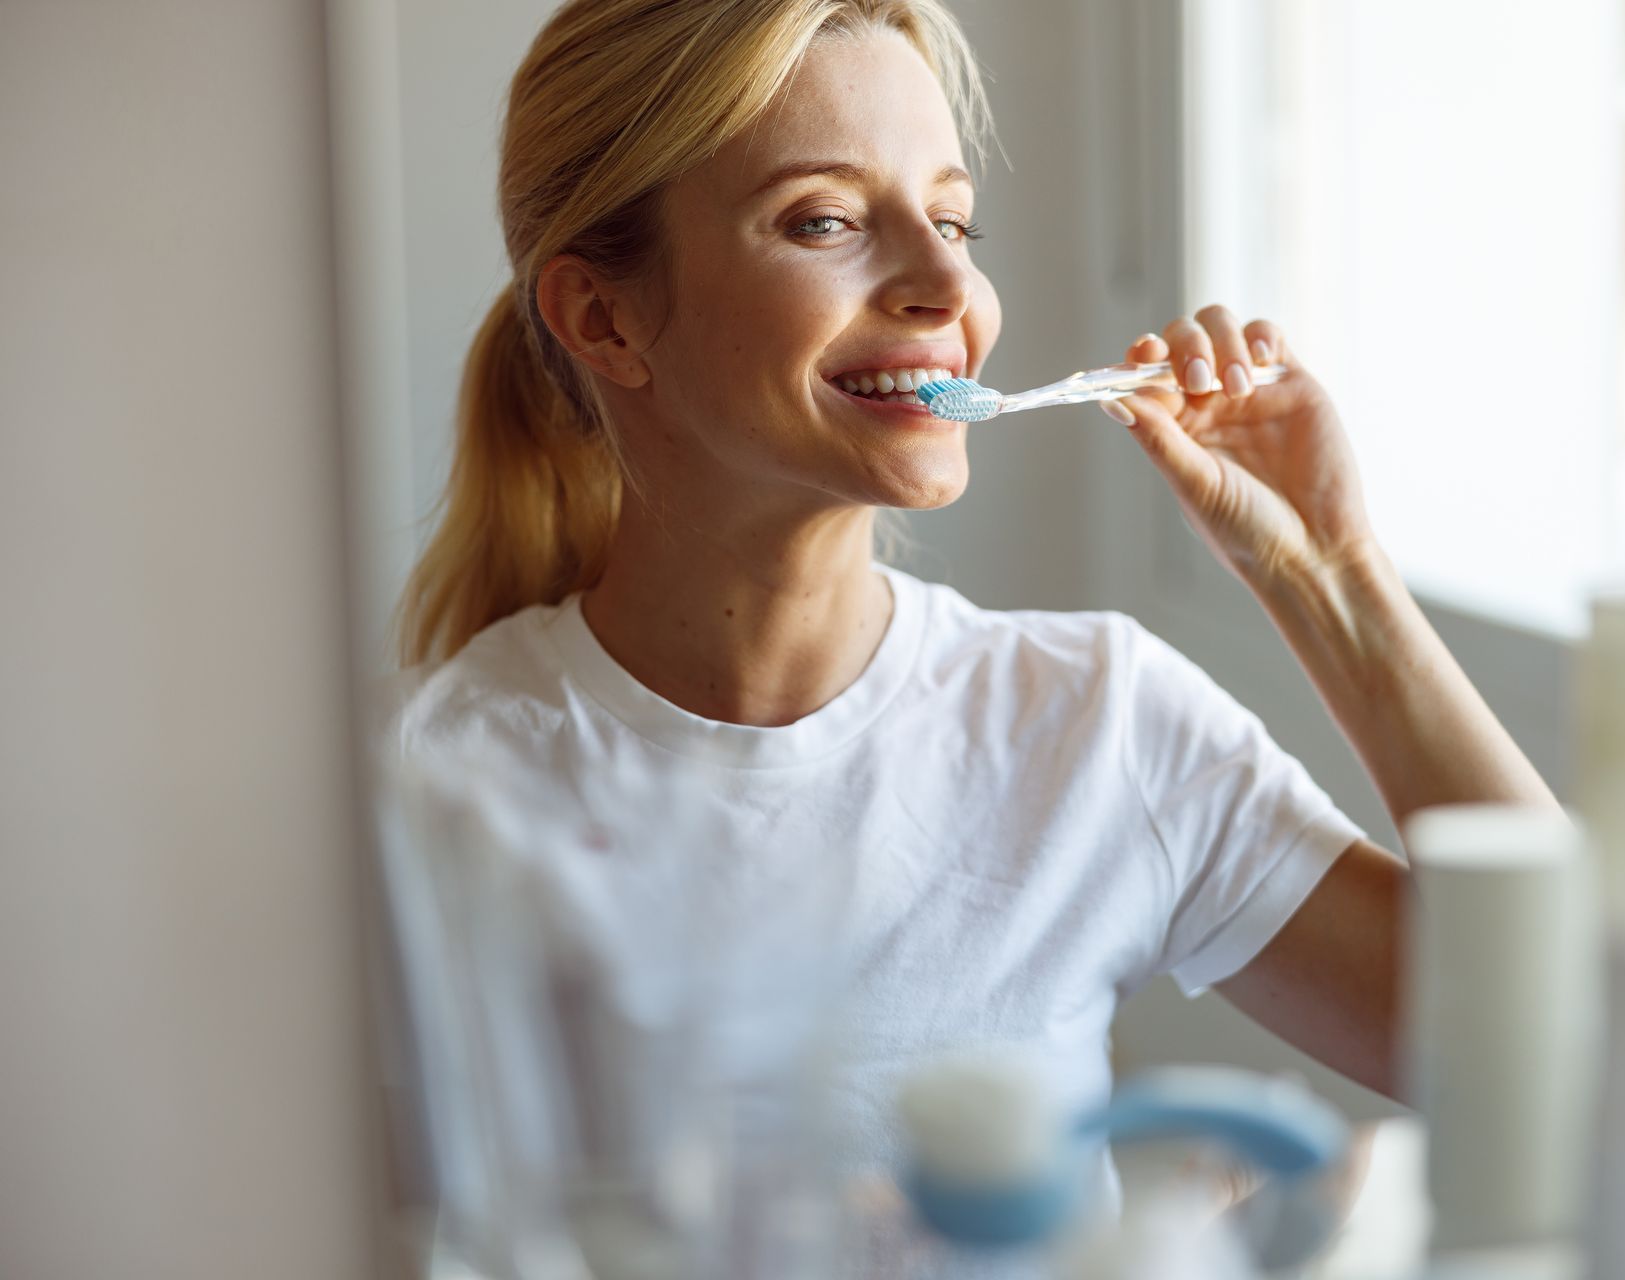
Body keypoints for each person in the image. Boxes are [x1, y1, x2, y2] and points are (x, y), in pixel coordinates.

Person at [391, 0, 1556, 1272]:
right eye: (825, 220)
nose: (949, 285)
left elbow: (1555, 1064)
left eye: (951, 220)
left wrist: (1326, 573)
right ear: (605, 319)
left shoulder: (1095, 722)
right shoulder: (450, 791)